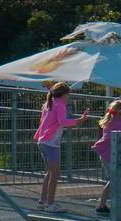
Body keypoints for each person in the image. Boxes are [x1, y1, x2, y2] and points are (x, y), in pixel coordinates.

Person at [33, 82, 85, 210]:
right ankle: (50, 204)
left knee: (49, 173)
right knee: (55, 174)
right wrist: (79, 121)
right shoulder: (60, 105)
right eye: (68, 95)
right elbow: (63, 122)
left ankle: (43, 201)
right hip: (51, 143)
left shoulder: (48, 104)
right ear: (64, 94)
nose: (68, 98)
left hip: (43, 141)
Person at [91, 98, 121, 215]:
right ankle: (106, 205)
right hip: (110, 156)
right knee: (116, 180)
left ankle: (103, 205)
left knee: (114, 180)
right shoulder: (118, 123)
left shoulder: (111, 121)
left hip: (108, 155)